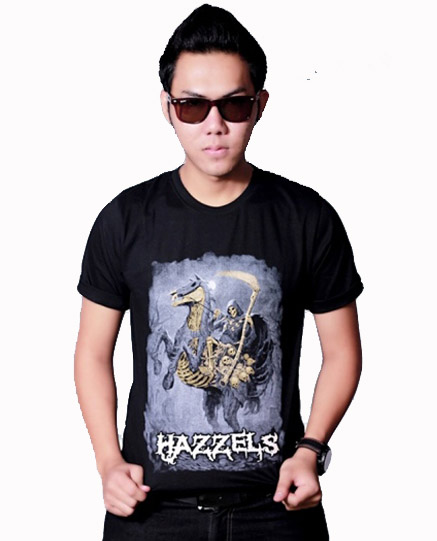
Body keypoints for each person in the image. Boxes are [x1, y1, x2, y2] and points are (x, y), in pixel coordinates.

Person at [74, 4, 363, 540]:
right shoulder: (125, 219)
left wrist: (311, 450)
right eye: (192, 106)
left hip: (275, 512)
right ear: (167, 107)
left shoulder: (307, 218)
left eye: (234, 104)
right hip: (152, 515)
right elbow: (92, 354)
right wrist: (108, 462)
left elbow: (342, 352)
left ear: (260, 105)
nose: (215, 125)